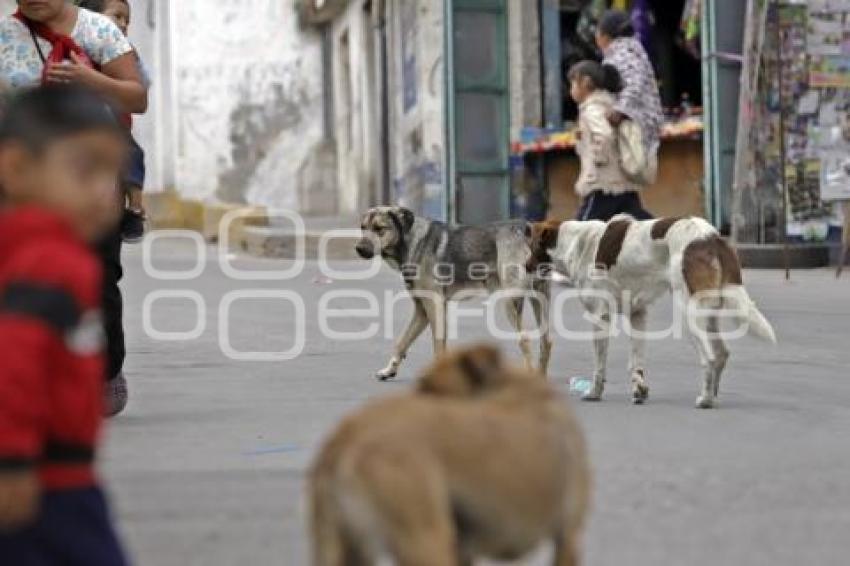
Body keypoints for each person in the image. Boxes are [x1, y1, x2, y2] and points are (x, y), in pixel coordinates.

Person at [0, 85, 129, 565]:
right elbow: (13, 359)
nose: (103, 192)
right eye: (84, 169)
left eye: (110, 174)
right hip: (51, 482)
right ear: (16, 169)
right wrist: (11, 458)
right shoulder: (52, 261)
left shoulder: (20, 250)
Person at [0, 0, 149, 416]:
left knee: (98, 278)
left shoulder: (100, 30)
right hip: (22, 185)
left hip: (91, 184)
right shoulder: (3, 36)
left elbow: (137, 98)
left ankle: (105, 372)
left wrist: (91, 80)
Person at [78, 0, 149, 243]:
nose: (123, 24)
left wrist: (132, 63)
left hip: (116, 126)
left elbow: (142, 89)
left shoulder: (124, 53)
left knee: (132, 154)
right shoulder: (77, 48)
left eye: (127, 20)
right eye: (117, 16)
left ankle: (135, 209)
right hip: (82, 126)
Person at [569, 60, 652, 221]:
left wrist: (599, 158)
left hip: (602, 183)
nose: (571, 90)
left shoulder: (592, 109)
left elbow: (604, 135)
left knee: (581, 229)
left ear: (586, 83)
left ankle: (672, 235)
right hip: (621, 181)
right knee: (640, 224)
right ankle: (669, 236)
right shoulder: (610, 106)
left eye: (573, 84)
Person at [595, 10, 664, 175]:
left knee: (623, 174)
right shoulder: (634, 50)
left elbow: (635, 84)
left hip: (633, 124)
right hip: (642, 122)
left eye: (597, 34)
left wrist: (619, 111)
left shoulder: (620, 54)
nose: (596, 40)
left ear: (605, 36)